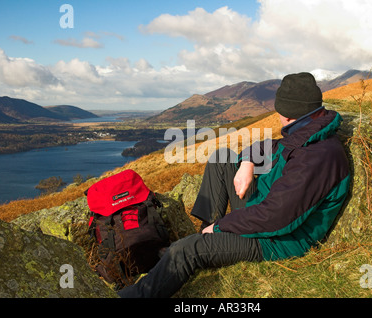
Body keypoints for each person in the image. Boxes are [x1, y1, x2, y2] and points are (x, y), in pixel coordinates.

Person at [118, 72, 351, 298]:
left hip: (280, 240)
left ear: (290, 114)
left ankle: (133, 295)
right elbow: (270, 147)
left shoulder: (317, 156)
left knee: (184, 250)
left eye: (279, 111)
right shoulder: (307, 132)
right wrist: (247, 163)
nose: (278, 116)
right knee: (222, 158)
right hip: (265, 210)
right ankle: (208, 238)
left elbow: (277, 218)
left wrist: (222, 227)